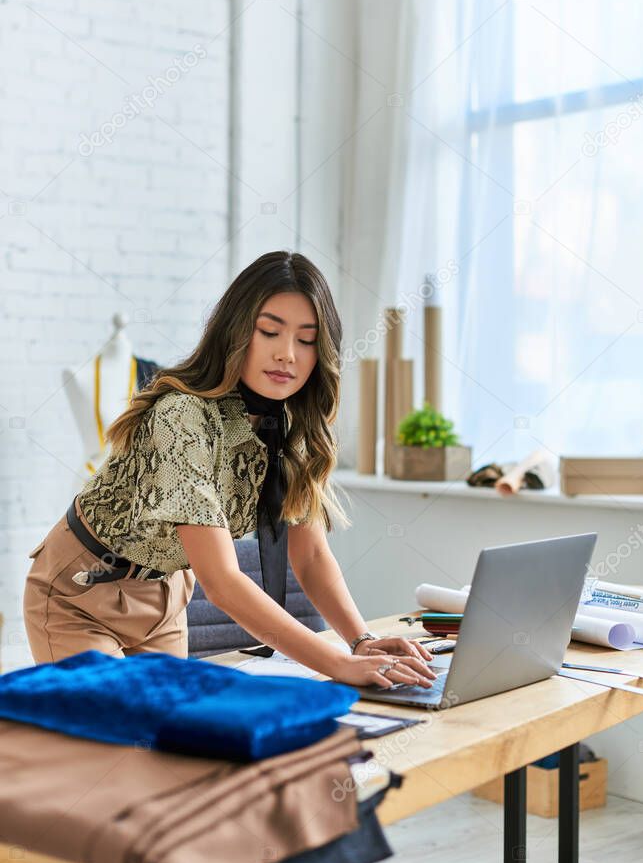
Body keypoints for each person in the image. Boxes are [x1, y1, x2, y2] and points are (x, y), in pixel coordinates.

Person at [23, 250, 436, 692]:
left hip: (164, 596)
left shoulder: (291, 425)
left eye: (306, 340)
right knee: (118, 724)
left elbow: (311, 555)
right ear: (237, 331)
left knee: (175, 730)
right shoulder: (182, 417)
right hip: (81, 593)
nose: (287, 354)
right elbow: (221, 581)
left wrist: (360, 641)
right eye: (270, 331)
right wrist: (336, 663)